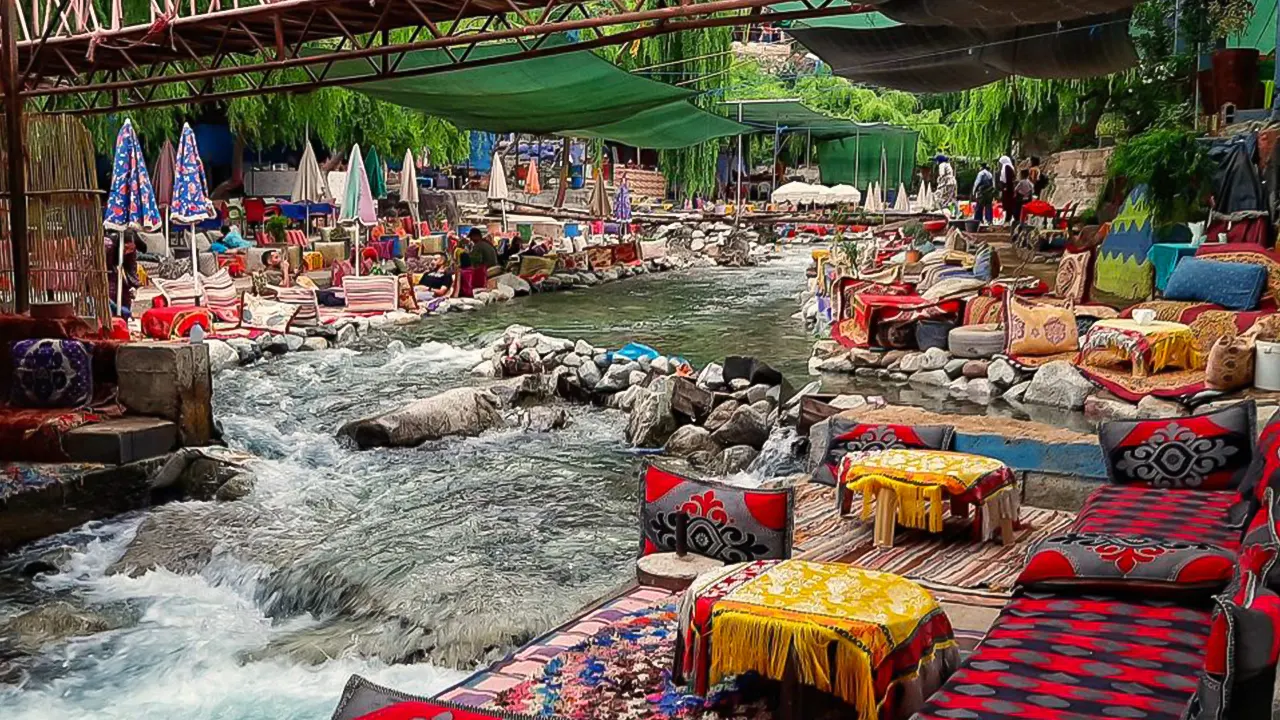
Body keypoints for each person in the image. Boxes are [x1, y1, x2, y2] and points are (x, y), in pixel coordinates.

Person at [997, 155, 1016, 224]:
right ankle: (1008, 217)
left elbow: (1008, 178)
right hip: (1008, 188)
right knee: (1008, 203)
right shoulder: (1009, 166)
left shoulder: (1007, 167)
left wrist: (1006, 187)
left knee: (1008, 203)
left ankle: (1008, 218)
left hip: (1007, 188)